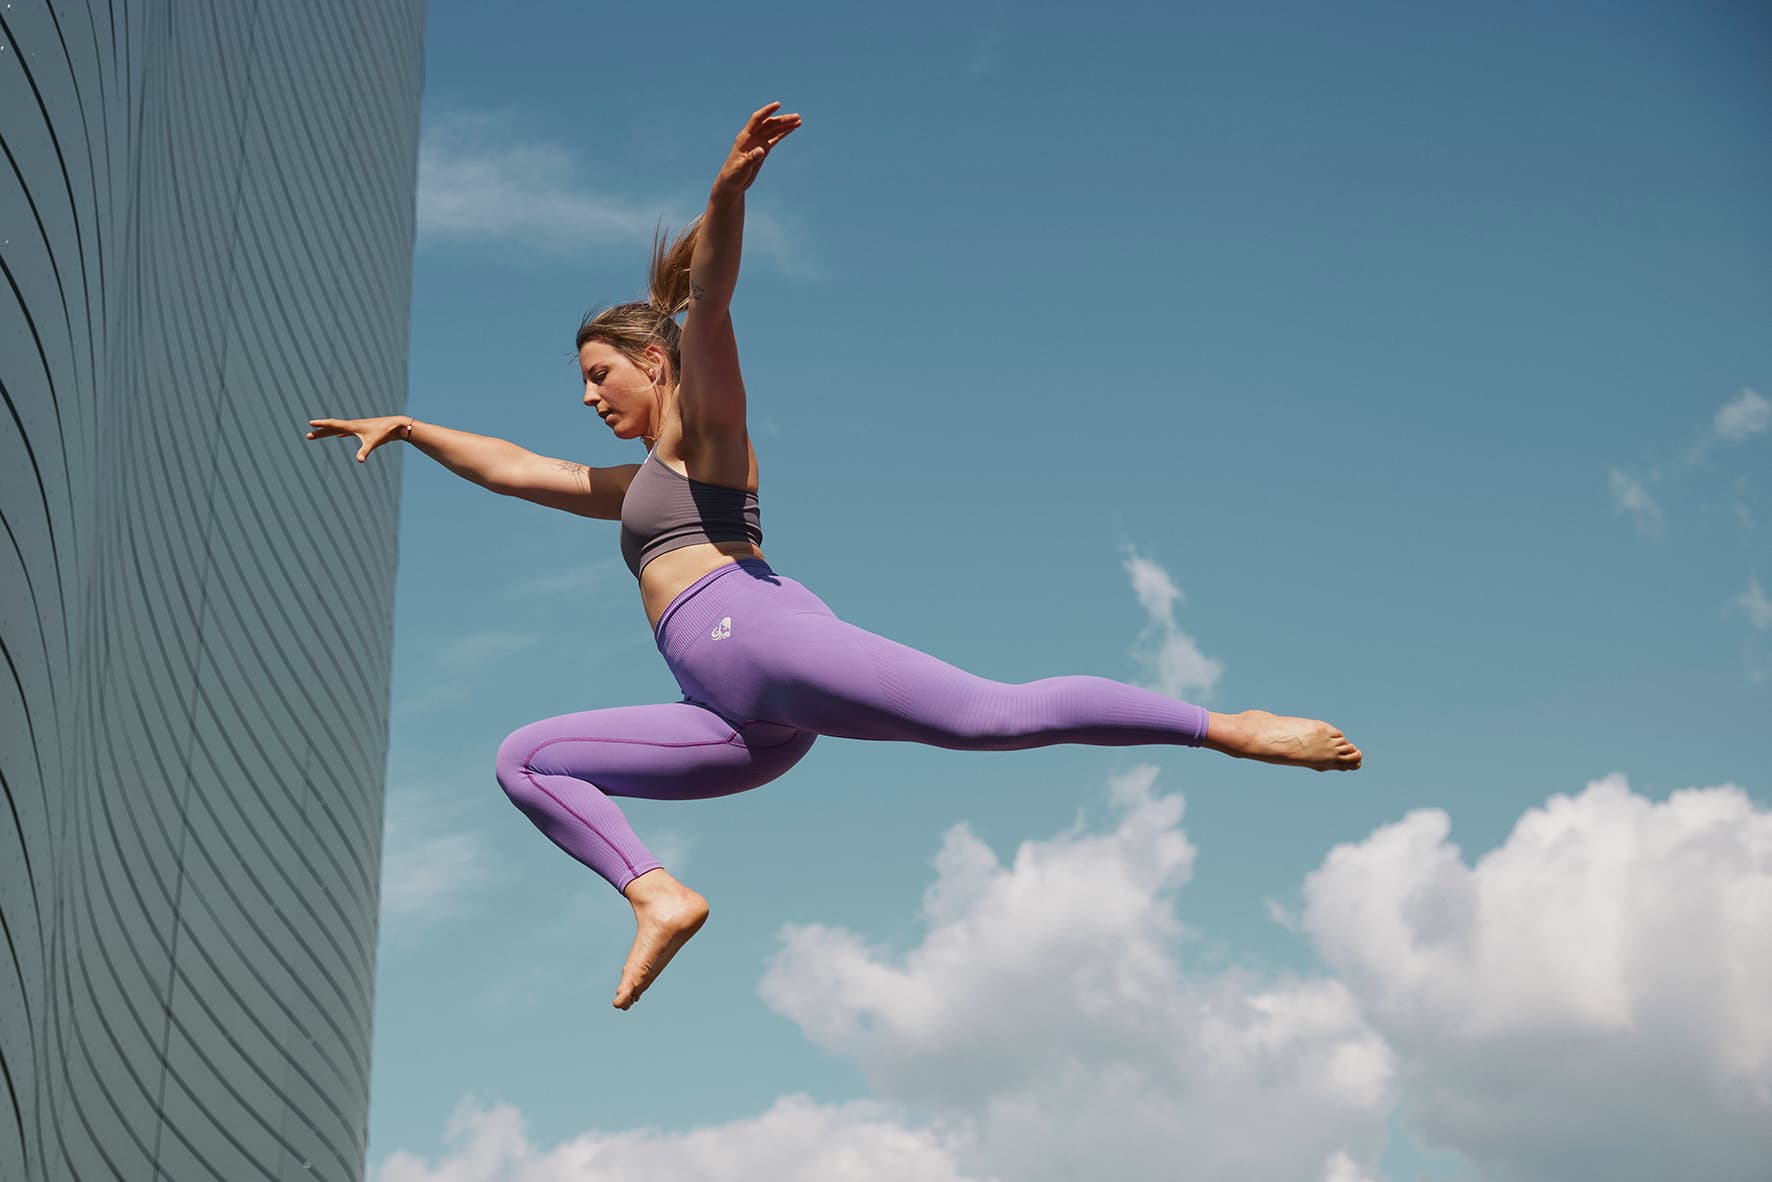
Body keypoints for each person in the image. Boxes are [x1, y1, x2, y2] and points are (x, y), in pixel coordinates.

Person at [308, 102, 1361, 1011]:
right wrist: (408, 428)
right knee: (524, 758)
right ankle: (656, 893)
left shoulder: (702, 438)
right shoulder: (630, 492)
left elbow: (711, 303)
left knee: (987, 717)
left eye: (600, 375)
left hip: (756, 637)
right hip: (732, 721)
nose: (588, 399)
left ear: (653, 364)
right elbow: (510, 467)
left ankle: (1228, 728)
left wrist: (727, 192)